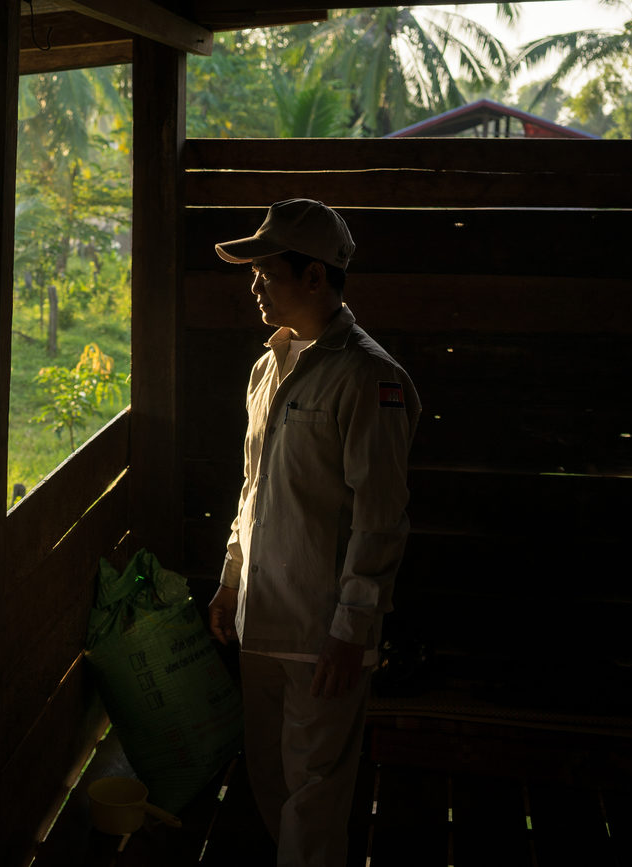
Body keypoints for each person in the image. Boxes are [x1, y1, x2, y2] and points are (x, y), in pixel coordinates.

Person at [206, 199, 420, 867]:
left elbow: (381, 517)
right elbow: (253, 489)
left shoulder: (368, 376)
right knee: (272, 781)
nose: (254, 285)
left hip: (321, 635)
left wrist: (352, 629)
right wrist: (229, 581)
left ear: (315, 278)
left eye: (266, 272)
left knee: (314, 800)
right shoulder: (267, 368)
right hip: (261, 622)